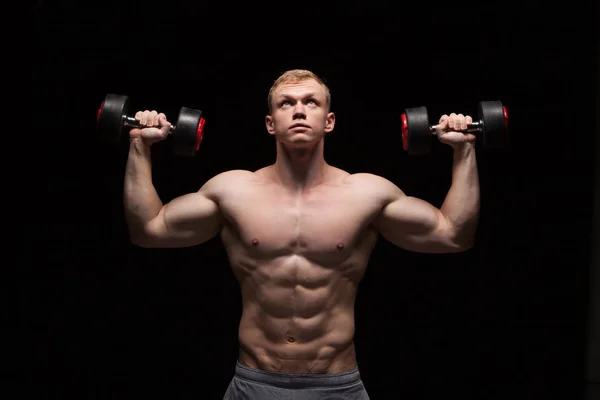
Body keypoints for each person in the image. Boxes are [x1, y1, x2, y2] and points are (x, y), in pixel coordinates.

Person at [123, 69, 480, 399]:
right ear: (270, 123)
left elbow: (452, 235)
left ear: (329, 121)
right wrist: (140, 144)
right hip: (254, 383)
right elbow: (149, 230)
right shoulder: (232, 191)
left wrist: (463, 149)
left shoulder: (366, 194)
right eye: (286, 104)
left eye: (311, 102)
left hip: (337, 386)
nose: (298, 111)